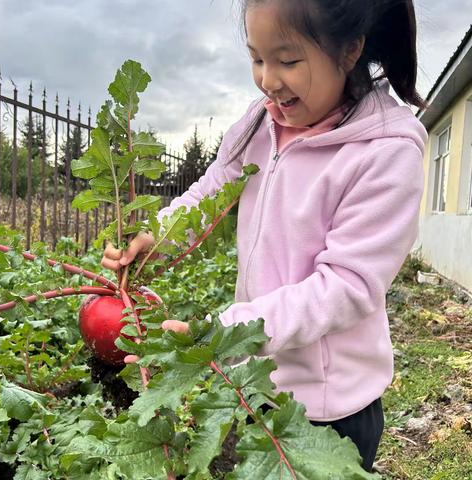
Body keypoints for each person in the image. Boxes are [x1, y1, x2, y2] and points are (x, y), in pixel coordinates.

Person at [102, 0, 428, 472]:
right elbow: (212, 189)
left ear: (350, 49)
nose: (268, 80)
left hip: (328, 409)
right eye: (257, 58)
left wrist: (222, 333)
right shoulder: (260, 121)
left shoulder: (385, 154)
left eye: (288, 60)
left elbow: (345, 288)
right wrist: (155, 235)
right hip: (253, 383)